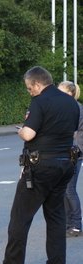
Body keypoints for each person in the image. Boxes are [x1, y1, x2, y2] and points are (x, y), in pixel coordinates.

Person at [0, 66, 80, 264]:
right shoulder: (71, 103)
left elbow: (29, 134)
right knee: (56, 216)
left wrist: (21, 131)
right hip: (66, 164)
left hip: (40, 167)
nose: (29, 91)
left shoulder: (39, 101)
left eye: (30, 88)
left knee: (20, 217)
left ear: (38, 84)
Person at [58, 81, 83, 237]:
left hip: (74, 153)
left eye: (61, 92)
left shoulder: (77, 109)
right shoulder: (68, 107)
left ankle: (76, 224)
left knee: (69, 189)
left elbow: (76, 133)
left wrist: (77, 150)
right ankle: (68, 223)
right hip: (66, 152)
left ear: (69, 93)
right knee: (64, 189)